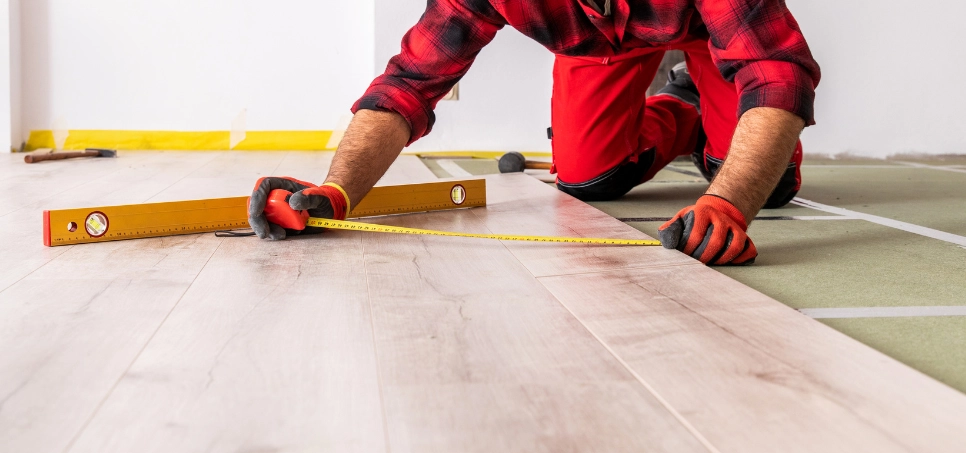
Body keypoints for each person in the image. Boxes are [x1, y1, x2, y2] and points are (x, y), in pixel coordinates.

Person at [249, 0, 820, 266]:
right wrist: (337, 192)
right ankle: (680, 105)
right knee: (589, 179)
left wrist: (727, 203)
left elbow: (775, 73)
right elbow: (408, 85)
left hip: (708, 33)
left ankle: (708, 111)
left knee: (762, 187)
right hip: (597, 49)